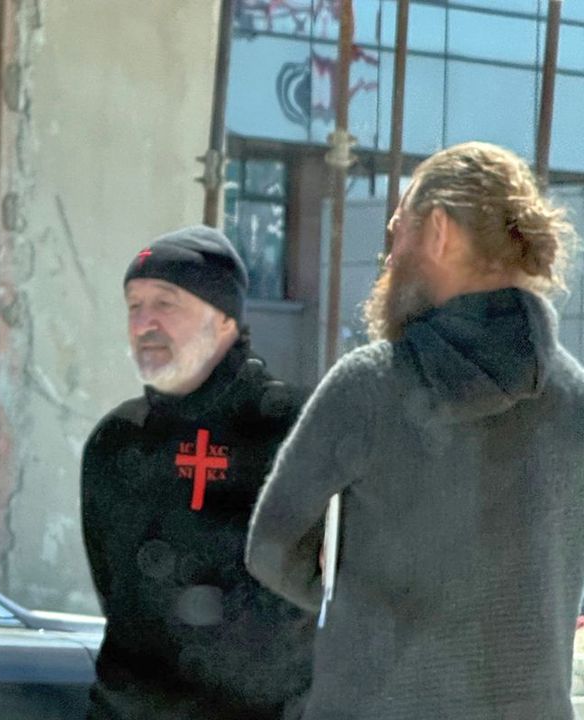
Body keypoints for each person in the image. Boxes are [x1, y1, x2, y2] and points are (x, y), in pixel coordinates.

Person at [246, 141, 584, 720]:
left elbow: (272, 548)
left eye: (398, 228)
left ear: (439, 231)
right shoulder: (575, 398)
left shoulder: (371, 385)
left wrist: (363, 614)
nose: (390, 251)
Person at [81, 225, 314, 720]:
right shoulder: (116, 441)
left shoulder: (293, 431)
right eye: (134, 305)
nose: (143, 322)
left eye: (165, 303)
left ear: (224, 318)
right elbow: (114, 592)